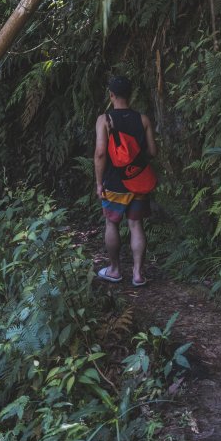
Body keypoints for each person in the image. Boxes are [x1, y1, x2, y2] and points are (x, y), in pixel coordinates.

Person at [94, 76, 157, 286]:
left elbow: (101, 153)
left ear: (111, 95)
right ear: (130, 95)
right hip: (138, 180)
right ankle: (138, 274)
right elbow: (152, 152)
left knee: (112, 222)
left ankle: (114, 270)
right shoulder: (143, 119)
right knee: (136, 224)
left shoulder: (105, 120)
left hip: (115, 182)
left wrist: (99, 183)